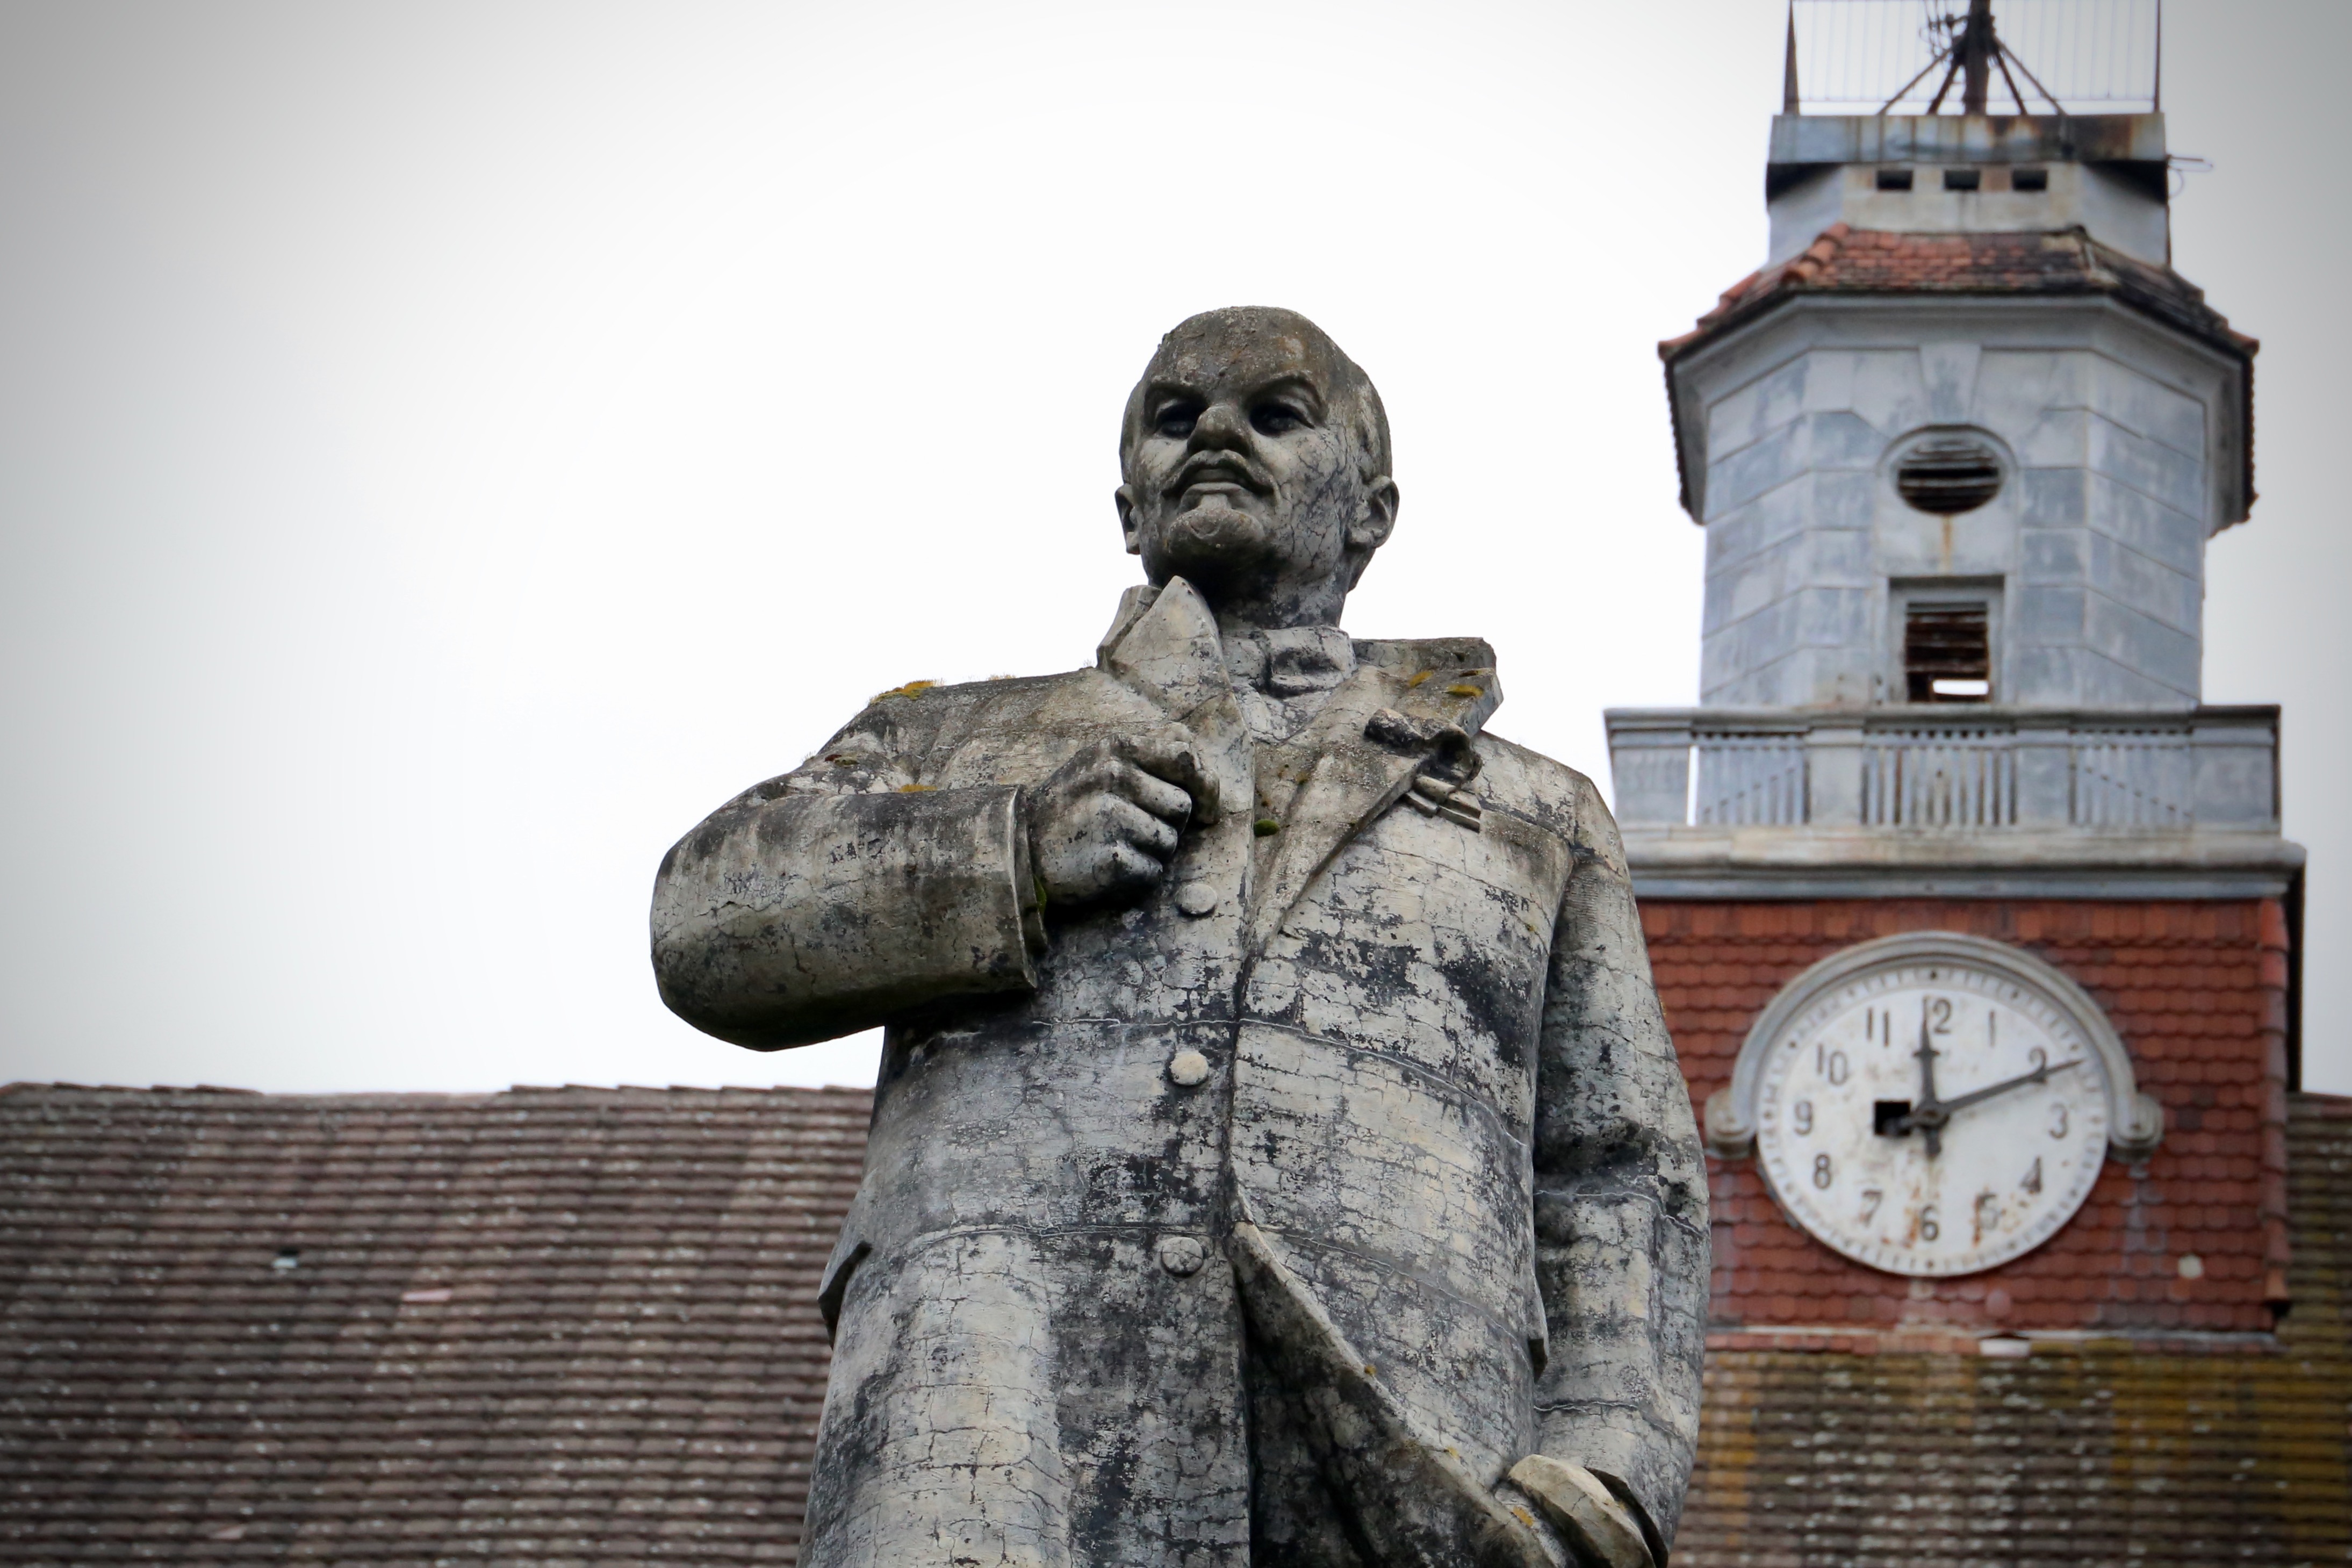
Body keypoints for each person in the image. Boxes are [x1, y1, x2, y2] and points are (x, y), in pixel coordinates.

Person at [651, 307, 1708, 1568]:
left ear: (1370, 511)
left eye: (1274, 411)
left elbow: (1620, 1170)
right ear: (1127, 507)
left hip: (1415, 1447)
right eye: (1174, 415)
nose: (1214, 430)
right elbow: (700, 920)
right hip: (996, 1402)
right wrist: (1011, 851)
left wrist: (1602, 1470)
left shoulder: (1532, 814)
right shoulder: (955, 741)